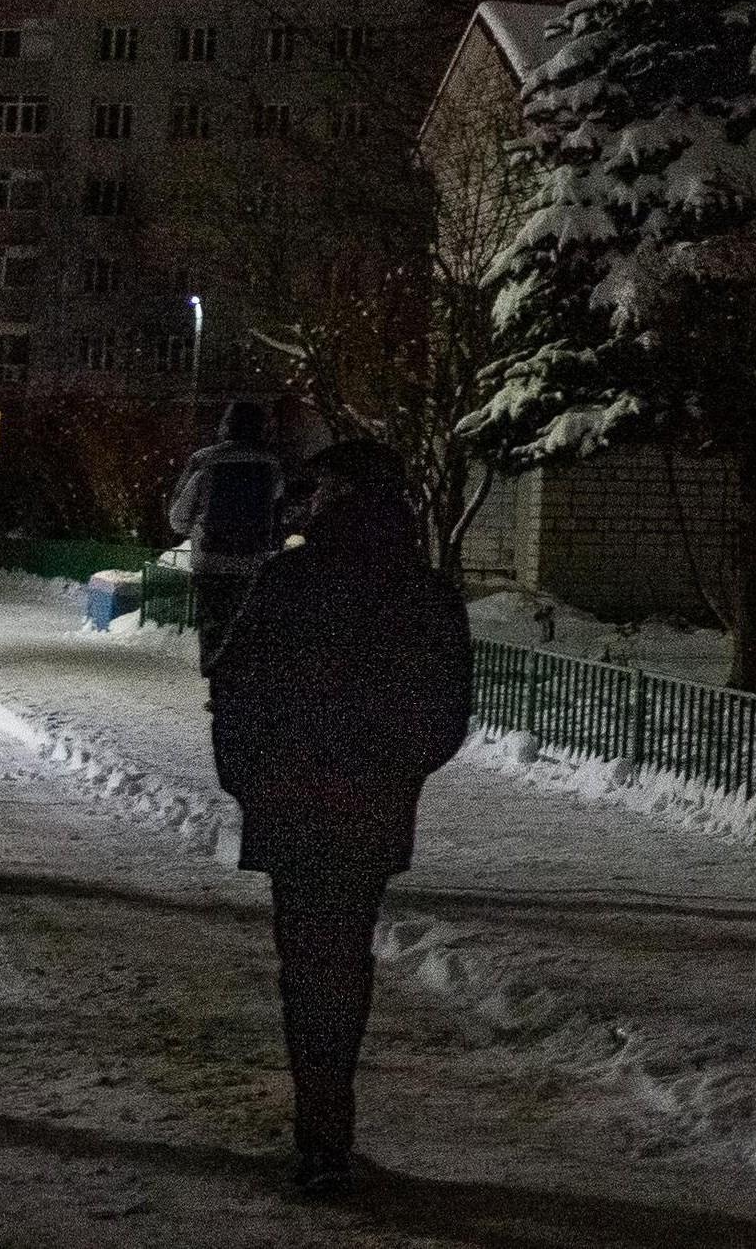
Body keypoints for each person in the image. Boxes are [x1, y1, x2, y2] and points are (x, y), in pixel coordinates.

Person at [201, 436, 471, 1193]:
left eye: (319, 488)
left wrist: (249, 779)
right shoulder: (422, 589)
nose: (307, 501)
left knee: (307, 963)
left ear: (342, 495)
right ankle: (328, 1131)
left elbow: (237, 684)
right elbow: (446, 712)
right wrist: (393, 770)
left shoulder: (292, 579)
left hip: (292, 800)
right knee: (344, 959)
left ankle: (320, 1136)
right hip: (369, 806)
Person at [165, 397, 291, 660]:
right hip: (254, 561)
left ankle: (216, 674)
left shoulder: (204, 461)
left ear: (226, 426)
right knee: (244, 631)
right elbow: (278, 506)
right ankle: (240, 675)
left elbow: (178, 516)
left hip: (211, 561)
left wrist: (194, 527)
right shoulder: (272, 465)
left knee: (214, 628)